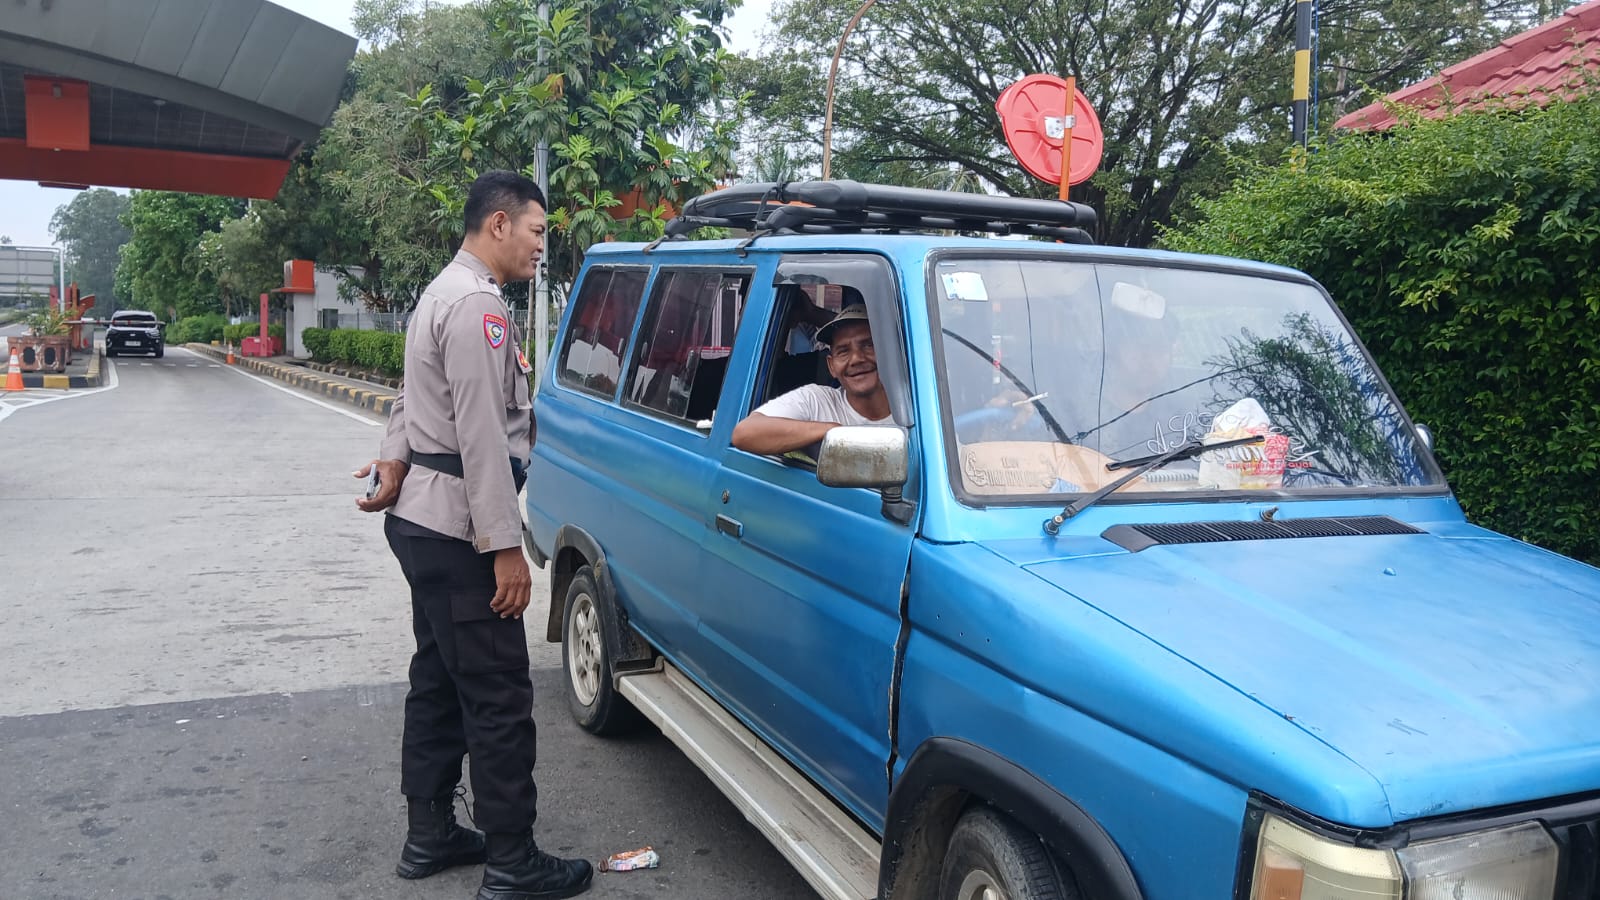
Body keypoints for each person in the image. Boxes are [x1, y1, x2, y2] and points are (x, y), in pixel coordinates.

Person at [354, 170, 592, 900]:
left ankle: (429, 834)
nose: (540, 247)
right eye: (536, 232)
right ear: (498, 224)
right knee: (497, 694)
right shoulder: (477, 307)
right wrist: (505, 548)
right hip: (458, 528)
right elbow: (483, 436)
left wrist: (395, 459)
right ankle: (513, 859)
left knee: (437, 679)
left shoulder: (441, 292)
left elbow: (412, 397)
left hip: (422, 520)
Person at [731, 302, 892, 456]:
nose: (856, 359)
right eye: (843, 351)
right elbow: (744, 433)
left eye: (868, 345)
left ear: (889, 353)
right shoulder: (817, 401)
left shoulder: (908, 406)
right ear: (831, 366)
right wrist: (833, 431)